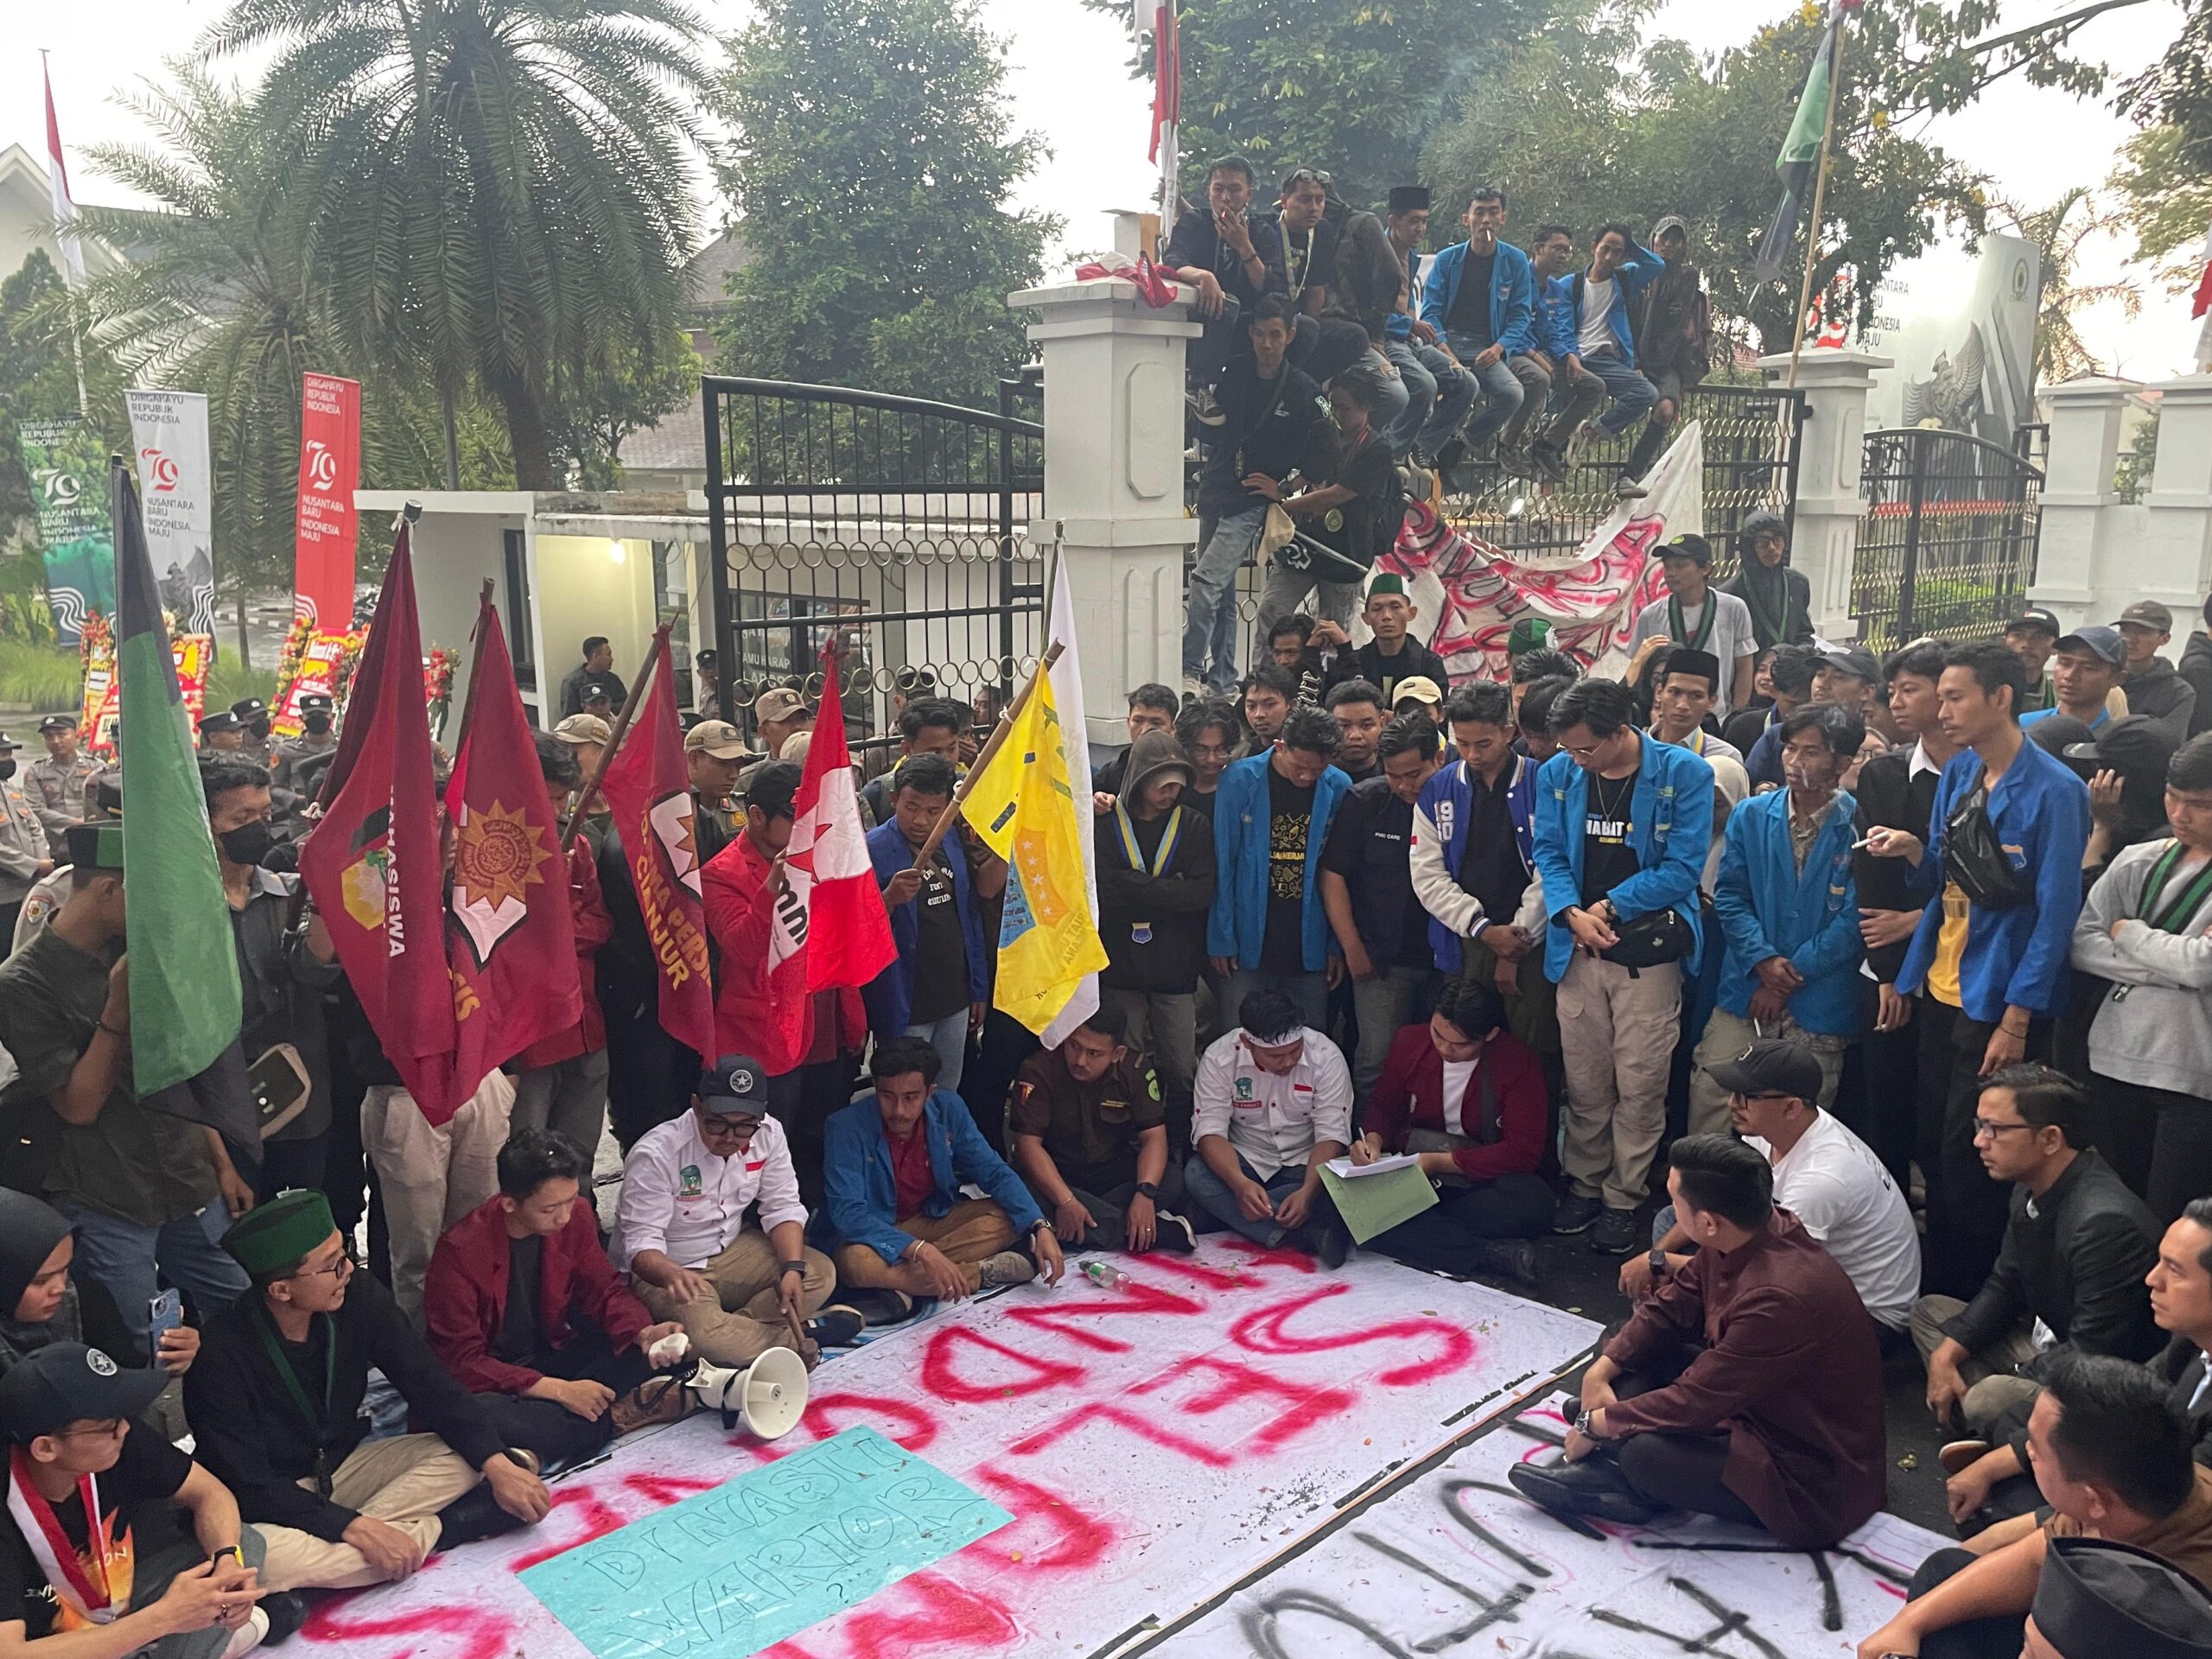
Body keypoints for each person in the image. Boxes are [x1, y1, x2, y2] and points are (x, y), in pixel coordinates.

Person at [1510, 1134, 1885, 1546]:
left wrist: (1596, 1423)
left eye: (1675, 1201)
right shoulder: (1746, 1231)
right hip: (1750, 1404)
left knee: (1646, 1456)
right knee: (1623, 1343)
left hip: (1806, 1472)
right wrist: (1599, 1374)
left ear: (1707, 1221)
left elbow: (1695, 1402)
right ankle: (1620, 1431)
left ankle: (1627, 1477)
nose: (1670, 1210)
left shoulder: (1777, 1297)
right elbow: (1668, 1309)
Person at [187, 1192, 550, 1593]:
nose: (348, 1270)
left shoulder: (356, 1293)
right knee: (260, 1561)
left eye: (344, 1254)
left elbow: (427, 1380)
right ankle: (444, 1527)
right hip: (272, 1501)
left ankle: (349, 1561)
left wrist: (497, 1466)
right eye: (333, 1266)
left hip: (346, 1470)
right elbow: (249, 1482)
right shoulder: (218, 1355)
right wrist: (354, 1527)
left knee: (474, 1454)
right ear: (281, 1290)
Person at [1872, 642, 2094, 1297]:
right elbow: (1944, 882)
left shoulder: (2056, 791)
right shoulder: (1961, 776)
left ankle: (1971, 1299)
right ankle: (1938, 1289)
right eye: (1938, 698)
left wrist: (2018, 1017)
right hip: (1941, 983)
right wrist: (1915, 852)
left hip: (1996, 998)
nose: (1942, 712)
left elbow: (2057, 914)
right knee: (1933, 1144)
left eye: (1955, 697)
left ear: (2002, 697)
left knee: (1975, 1156)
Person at [0, 824, 251, 1351]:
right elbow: (78, 1106)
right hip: (108, 1195)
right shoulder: (22, 984)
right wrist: (116, 1010)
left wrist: (223, 1164)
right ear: (108, 890)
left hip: (190, 1180)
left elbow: (182, 1069)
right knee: (139, 1344)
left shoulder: (144, 951)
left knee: (246, 1310)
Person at [1860, 1353, 2212, 1659]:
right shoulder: (2128, 1500)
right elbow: (2034, 1559)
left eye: (2037, 1451)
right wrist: (1907, 1624)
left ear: (2094, 1499)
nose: (2025, 1452)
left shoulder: (2171, 1603)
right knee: (1945, 1573)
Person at [1535, 677, 1714, 1255]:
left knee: (1640, 1079)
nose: (1575, 759)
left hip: (1645, 950)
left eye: (1586, 749)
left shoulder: (1683, 774)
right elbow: (1549, 851)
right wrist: (1569, 912)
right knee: (1585, 1081)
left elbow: (1683, 867)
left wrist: (1608, 907)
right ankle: (1584, 1183)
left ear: (1621, 732)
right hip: (1577, 948)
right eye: (1567, 748)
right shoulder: (1558, 775)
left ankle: (1624, 1194)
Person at [1913, 1065, 2162, 1450]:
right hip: (2048, 1343)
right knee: (1930, 1315)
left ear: (2049, 1139)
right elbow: (2005, 1283)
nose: (1979, 1141)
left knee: (1989, 1396)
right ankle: (2003, 1431)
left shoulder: (2104, 1223)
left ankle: (2010, 1436)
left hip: (2102, 1384)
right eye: (1979, 1125)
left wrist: (2017, 1374)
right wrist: (1947, 1354)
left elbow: (2093, 1355)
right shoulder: (2031, 1184)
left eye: (1994, 1129)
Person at [424, 1129, 690, 1468]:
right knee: (468, 1412)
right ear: (509, 1204)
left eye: (570, 1200)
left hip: (553, 1352)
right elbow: (461, 1361)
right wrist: (557, 1390)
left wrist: (644, 1333)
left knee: (650, 1349)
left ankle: (553, 1435)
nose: (564, 1216)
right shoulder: (460, 1252)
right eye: (550, 1208)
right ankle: (617, 1416)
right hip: (495, 1377)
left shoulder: (576, 1215)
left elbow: (602, 1290)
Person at [0, 1342, 284, 1658]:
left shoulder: (120, 1438)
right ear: (46, 1449)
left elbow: (210, 1493)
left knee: (243, 1542)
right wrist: (164, 1618)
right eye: (106, 1425)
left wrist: (227, 1564)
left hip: (117, 1603)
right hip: (44, 1641)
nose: (123, 1429)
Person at [1637, 1039, 1919, 1344]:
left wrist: (1657, 1263)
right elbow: (1725, 1202)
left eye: (1747, 1096)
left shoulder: (1820, 1180)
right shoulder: (1777, 1130)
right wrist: (1660, 1254)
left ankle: (1701, 1342)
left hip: (1865, 1317)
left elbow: (1773, 1272)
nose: (1733, 1103)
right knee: (1675, 1218)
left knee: (1694, 1264)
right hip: (1807, 1268)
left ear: (1791, 1108)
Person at [612, 1058, 853, 1373]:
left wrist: (791, 1268)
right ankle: (798, 1337)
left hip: (733, 1249)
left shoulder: (769, 1133)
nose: (730, 1137)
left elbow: (781, 1206)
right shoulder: (656, 1153)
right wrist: (671, 1274)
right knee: (704, 1334)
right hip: (672, 1266)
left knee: (819, 1272)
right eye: (717, 1124)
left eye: (743, 1127)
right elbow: (640, 1245)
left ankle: (733, 1333)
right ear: (696, 1106)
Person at [1687, 704, 1865, 1133]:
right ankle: (1699, 1192)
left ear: (1842, 762)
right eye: (1790, 750)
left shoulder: (1859, 822)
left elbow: (1856, 920)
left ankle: (1784, 1200)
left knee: (1801, 1116)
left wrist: (1790, 974)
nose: (1794, 762)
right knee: (1713, 1093)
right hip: (1747, 984)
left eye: (1811, 752)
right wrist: (1764, 962)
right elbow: (1730, 896)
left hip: (1819, 994)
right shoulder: (1752, 814)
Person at [2071, 734, 2212, 1219]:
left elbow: (2202, 964)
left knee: (2171, 1212)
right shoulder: (2141, 857)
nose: (2180, 814)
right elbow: (2083, 943)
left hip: (2192, 1070)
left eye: (2199, 805)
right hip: (2114, 1056)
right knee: (2116, 1206)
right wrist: (2171, 971)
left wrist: (2129, 932)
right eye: (2173, 798)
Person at [823, 1038, 1064, 1311]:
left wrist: (1040, 1226)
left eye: (911, 1097)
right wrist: (921, 1250)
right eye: (887, 1096)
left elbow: (994, 1172)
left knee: (1010, 1216)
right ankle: (976, 1273)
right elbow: (848, 1214)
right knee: (855, 1262)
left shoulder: (949, 1108)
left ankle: (906, 1283)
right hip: (876, 1233)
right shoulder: (845, 1127)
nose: (899, 1111)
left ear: (930, 1092)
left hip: (931, 1219)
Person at [202, 759, 343, 1200]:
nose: (258, 827)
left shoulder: (291, 893)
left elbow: (314, 970)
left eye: (264, 814)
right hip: (222, 1108)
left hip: (301, 1103)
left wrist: (326, 892)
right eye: (241, 818)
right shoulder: (186, 912)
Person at [1352, 980, 1552, 1286]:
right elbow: (1384, 1107)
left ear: (1490, 1035)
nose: (1445, 1049)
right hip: (1414, 1172)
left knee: (1531, 1201)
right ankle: (1488, 1254)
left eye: (1460, 1045)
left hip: (1478, 1177)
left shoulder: (1517, 1061)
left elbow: (1522, 1151)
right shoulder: (1410, 1041)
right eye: (1437, 1035)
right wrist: (1373, 1140)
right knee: (1346, 1197)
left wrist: (1439, 1162)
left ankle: (1406, 1229)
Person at [1852, 641, 1959, 1189]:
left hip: (1959, 965)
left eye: (1909, 689)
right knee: (1885, 1105)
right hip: (1891, 964)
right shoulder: (1886, 774)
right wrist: (1891, 972)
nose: (1895, 701)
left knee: (1946, 1118)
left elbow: (1984, 889)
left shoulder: (1983, 777)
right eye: (1891, 690)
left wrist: (1921, 922)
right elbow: (1874, 887)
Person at [1185, 296, 1326, 698]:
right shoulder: (1233, 373)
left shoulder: (1306, 389)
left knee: (1205, 581)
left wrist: (1284, 490)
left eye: (1276, 335)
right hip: (1214, 489)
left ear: (1290, 336)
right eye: (1261, 334)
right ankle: (1224, 680)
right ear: (1251, 333)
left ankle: (1189, 665)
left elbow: (1328, 450)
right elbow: (1212, 426)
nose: (1267, 343)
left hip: (1250, 502)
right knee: (1222, 590)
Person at [1411, 681, 1554, 1053]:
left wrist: (1517, 938)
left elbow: (1553, 867)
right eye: (1462, 743)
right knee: (1462, 1041)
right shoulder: (1438, 790)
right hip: (1466, 938)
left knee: (1532, 1048)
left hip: (1531, 939)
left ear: (1508, 732)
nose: (1472, 754)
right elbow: (1428, 877)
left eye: (1483, 743)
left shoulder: (1543, 782)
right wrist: (1483, 929)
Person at [1095, 730, 1214, 1152]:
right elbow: (1103, 895)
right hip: (1121, 967)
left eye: (1178, 782)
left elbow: (1199, 894)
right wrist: (1167, 890)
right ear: (1139, 779)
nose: (1171, 791)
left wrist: (1134, 886)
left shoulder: (1194, 825)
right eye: (1162, 782)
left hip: (1175, 970)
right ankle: (1128, 1140)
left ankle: (1180, 1140)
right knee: (1127, 1061)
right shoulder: (1105, 825)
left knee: (1181, 1064)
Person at [864, 753, 1003, 1095]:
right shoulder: (873, 849)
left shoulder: (951, 840)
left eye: (933, 810)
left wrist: (977, 988)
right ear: (895, 799)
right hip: (905, 1001)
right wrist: (889, 899)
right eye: (911, 807)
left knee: (946, 1090)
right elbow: (853, 928)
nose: (921, 820)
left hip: (954, 999)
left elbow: (969, 918)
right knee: (905, 1093)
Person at [1207, 706, 1351, 1033]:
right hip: (1247, 936)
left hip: (1309, 936)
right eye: (1300, 767)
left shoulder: (1338, 785)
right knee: (1239, 1034)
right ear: (1280, 745)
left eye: (1319, 768)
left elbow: (1339, 873)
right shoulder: (1240, 779)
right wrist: (1221, 936)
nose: (1308, 777)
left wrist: (1334, 944)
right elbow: (1223, 861)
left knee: (1311, 1037)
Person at [1320, 714, 1443, 1094]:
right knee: (1375, 1060)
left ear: (1438, 759)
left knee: (1441, 1058)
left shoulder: (1459, 796)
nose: (1405, 785)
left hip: (1447, 959)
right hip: (1382, 959)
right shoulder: (1365, 802)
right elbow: (1333, 874)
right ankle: (1370, 1146)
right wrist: (1352, 947)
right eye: (1394, 775)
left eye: (1414, 774)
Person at [1007, 1008, 1194, 1256]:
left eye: (1094, 1053)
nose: (1080, 1060)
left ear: (1117, 1053)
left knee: (1170, 1179)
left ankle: (1076, 1228)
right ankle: (1143, 1230)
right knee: (1018, 1189)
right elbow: (1028, 1145)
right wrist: (1066, 1201)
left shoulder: (1135, 1069)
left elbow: (1153, 1137)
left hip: (1109, 1172)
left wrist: (1144, 1194)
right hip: (1057, 1175)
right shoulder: (1039, 1068)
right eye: (1074, 1046)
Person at [1185, 988, 1353, 1264]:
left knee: (1339, 1183)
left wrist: (1308, 1194)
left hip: (1305, 1166)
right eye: (1275, 1056)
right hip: (1245, 1162)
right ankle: (1302, 1234)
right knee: (1196, 1175)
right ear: (1247, 1043)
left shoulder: (1326, 1056)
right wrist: (1239, 1185)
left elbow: (1331, 1135)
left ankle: (1236, 1216)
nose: (1287, 1062)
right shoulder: (1219, 1057)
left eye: (1294, 1052)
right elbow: (1210, 1133)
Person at [507, 735, 614, 1166]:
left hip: (586, 1020)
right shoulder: (494, 854)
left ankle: (579, 1230)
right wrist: (557, 934)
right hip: (529, 1031)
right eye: (549, 797)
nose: (557, 810)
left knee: (580, 1150)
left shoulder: (578, 845)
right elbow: (513, 940)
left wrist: (556, 934)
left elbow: (601, 923)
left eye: (563, 798)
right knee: (525, 1153)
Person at [1254, 366, 1400, 642]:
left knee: (1331, 630)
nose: (1337, 414)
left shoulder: (1377, 449)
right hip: (1306, 544)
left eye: (1344, 408)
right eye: (1333, 406)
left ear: (1366, 406)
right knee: (1271, 611)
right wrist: (1284, 489)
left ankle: (1326, 683)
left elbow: (1338, 494)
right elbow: (1310, 470)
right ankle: (1264, 679)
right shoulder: (1323, 432)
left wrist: (1286, 506)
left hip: (1345, 551)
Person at [0, 1189, 200, 1386]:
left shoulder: (84, 1298)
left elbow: (126, 1377)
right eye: (40, 1281)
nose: (60, 1288)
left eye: (64, 1269)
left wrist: (173, 1356)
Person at [1531, 222, 1666, 491]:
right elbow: (1562, 326)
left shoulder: (1625, 278)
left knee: (1646, 394)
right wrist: (1570, 355)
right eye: (1605, 249)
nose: (1608, 258)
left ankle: (1591, 431)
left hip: (1607, 361)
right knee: (1554, 414)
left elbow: (1656, 266)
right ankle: (1542, 482)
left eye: (1617, 252)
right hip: (1575, 356)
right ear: (1593, 248)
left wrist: (1631, 246)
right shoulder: (1571, 284)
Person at [1418, 185, 1541, 469]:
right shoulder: (1448, 260)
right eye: (1479, 212)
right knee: (1460, 387)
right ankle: (1422, 447)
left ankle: (1458, 445)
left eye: (1493, 212)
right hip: (1446, 341)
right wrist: (1443, 346)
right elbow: (1431, 311)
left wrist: (1499, 348)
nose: (1486, 219)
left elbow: (1521, 315)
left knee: (1513, 393)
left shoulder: (1515, 261)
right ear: (1467, 219)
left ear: (1503, 218)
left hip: (1485, 346)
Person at [1161, 154, 1287, 396]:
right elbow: (1173, 262)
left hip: (1250, 322)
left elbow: (1273, 286)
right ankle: (1199, 389)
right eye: (1218, 189)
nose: (1225, 198)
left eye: (1234, 190)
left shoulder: (1263, 231)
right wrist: (1203, 276)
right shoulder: (1194, 222)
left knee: (1305, 327)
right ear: (1209, 191)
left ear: (1249, 194)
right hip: (1205, 316)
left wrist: (1244, 247)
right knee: (1225, 306)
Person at [1378, 186, 1475, 466]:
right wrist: (1409, 323)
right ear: (1393, 220)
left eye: (1424, 221)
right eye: (1413, 221)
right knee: (1424, 385)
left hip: (1410, 341)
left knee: (1466, 383)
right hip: (1385, 340)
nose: (1420, 228)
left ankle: (1422, 446)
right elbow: (1369, 312)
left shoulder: (1412, 255)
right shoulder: (1377, 255)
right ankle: (1391, 458)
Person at [1627, 535, 1758, 718]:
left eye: (1680, 566)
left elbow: (1743, 665)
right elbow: (1640, 668)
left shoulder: (1733, 609)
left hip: (1716, 717)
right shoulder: (1651, 615)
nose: (1670, 574)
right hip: (1668, 717)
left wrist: (1735, 715)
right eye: (1667, 567)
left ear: (1705, 568)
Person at [1623, 214, 1712, 483]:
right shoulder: (1634, 271)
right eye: (1664, 237)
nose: (1668, 244)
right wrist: (1633, 362)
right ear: (1653, 239)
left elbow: (1673, 326)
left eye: (1675, 239)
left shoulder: (1687, 277)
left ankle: (1631, 473)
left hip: (1664, 362)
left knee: (1665, 410)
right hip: (1629, 356)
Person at [1312, 574, 1451, 709]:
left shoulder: (1429, 664)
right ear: (1366, 618)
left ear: (1411, 613)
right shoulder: (1355, 660)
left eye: (1395, 607)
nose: (1386, 616)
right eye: (1377, 609)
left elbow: (1437, 717)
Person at [859, 698, 967, 823]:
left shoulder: (967, 787)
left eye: (952, 748)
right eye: (935, 752)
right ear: (907, 748)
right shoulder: (877, 795)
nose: (947, 758)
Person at [1720, 511, 1813, 651]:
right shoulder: (1730, 593)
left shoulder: (1798, 583)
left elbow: (1804, 634)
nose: (1772, 548)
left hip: (1789, 666)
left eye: (1777, 540)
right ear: (1750, 548)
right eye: (1763, 543)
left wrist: (1793, 654)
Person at [2021, 626, 2128, 737]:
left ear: (2117, 678)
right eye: (2065, 663)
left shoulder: (2118, 741)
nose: (2070, 675)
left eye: (2088, 667)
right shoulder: (2024, 726)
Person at [2118, 601, 2200, 743]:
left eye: (2143, 632)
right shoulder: (2101, 674)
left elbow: (2169, 742)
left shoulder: (2178, 692)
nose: (2131, 639)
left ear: (2165, 638)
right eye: (2125, 631)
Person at [1723, 640, 1818, 763]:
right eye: (1794, 704)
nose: (1803, 713)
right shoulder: (1743, 728)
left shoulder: (1830, 735)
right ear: (1774, 690)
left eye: (1811, 705)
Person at [0, 734, 53, 944]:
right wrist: (33, 865)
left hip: (27, 889)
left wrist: (44, 863)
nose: (8, 759)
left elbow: (35, 826)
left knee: (24, 949)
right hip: (4, 892)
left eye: (9, 754)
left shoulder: (10, 790)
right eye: (3, 754)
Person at [23, 714, 94, 861]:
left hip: (91, 839)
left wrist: (89, 823)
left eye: (62, 735)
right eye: (49, 737)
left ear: (76, 735)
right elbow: (36, 810)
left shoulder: (96, 768)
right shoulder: (36, 772)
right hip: (54, 847)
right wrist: (77, 823)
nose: (55, 741)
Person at [1093, 685, 1181, 799]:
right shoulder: (1111, 775)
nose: (1145, 730)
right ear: (1128, 722)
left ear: (1172, 729)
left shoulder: (1185, 773)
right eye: (1138, 721)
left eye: (1156, 723)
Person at [682, 719, 747, 865]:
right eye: (723, 764)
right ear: (694, 759)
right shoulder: (672, 812)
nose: (733, 774)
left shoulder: (742, 807)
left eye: (738, 766)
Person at [1175, 699, 1239, 814]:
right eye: (1201, 749)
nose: (1211, 759)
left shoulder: (1239, 790)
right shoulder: (1174, 790)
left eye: (1220, 749)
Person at [1323, 681, 1386, 783]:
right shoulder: (1313, 776)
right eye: (1344, 726)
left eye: (1366, 725)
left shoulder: (1398, 776)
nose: (1355, 735)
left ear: (1382, 724)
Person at [2007, 607, 2065, 715]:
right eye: (2019, 635)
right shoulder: (1985, 692)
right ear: (2004, 643)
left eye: (2039, 637)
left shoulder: (2061, 700)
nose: (2027, 644)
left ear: (2055, 648)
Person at [559, 637, 626, 721]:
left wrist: (607, 708)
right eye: (608, 655)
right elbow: (568, 718)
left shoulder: (613, 680)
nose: (612, 659)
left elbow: (626, 706)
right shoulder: (572, 682)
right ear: (596, 656)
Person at [1239, 666, 1296, 750]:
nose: (1259, 714)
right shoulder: (1240, 755)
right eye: (1251, 706)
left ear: (1291, 705)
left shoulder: (1306, 753)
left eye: (1270, 704)